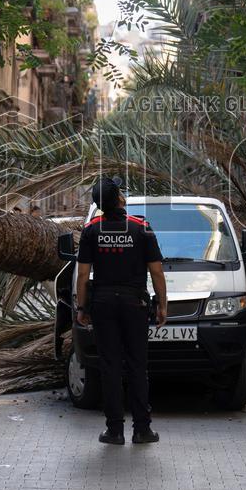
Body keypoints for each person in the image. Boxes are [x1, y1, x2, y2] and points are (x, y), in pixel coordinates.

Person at [75, 176, 167, 445]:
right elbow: (157, 271)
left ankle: (114, 430)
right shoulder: (141, 227)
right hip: (134, 304)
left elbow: (82, 275)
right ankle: (142, 429)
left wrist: (82, 307)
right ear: (119, 199)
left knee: (110, 367)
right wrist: (163, 304)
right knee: (138, 366)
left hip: (103, 305)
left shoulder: (92, 230)